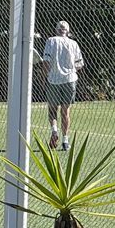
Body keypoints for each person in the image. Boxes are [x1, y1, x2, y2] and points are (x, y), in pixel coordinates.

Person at [38, 19, 86, 151]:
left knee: (52, 110)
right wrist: (69, 69)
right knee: (66, 111)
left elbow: (46, 61)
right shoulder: (73, 43)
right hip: (70, 80)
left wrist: (44, 77)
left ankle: (54, 131)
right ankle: (65, 141)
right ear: (68, 31)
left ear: (56, 30)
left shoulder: (51, 41)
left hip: (53, 80)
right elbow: (80, 63)